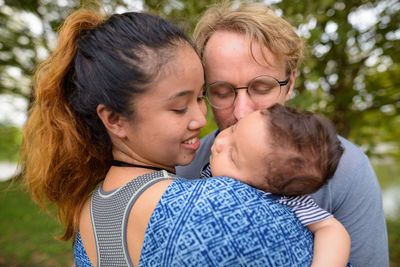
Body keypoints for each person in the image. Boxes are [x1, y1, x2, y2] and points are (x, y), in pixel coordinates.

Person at [19, 5, 315, 267]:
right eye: (178, 107)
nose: (201, 118)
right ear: (115, 119)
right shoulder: (218, 205)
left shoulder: (89, 212)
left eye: (200, 97)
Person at [176, 2, 389, 266]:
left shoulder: (348, 172)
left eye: (262, 87)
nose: (242, 112)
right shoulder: (183, 167)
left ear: (290, 84)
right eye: (221, 91)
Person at [208, 104, 351, 266]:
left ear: (267, 187)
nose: (221, 141)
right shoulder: (213, 168)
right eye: (234, 128)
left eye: (232, 156)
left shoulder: (283, 200)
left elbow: (330, 228)